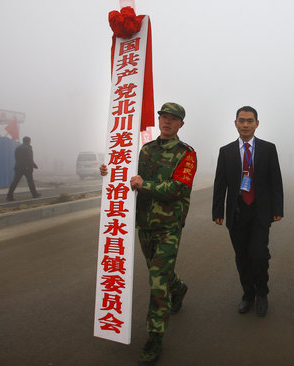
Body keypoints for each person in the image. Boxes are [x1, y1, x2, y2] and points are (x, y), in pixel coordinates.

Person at [100, 102, 196, 366]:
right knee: (159, 272)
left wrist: (146, 185)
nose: (167, 122)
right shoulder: (144, 150)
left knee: (156, 283)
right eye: (164, 117)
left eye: (173, 119)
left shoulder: (186, 154)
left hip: (169, 227)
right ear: (159, 119)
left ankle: (154, 338)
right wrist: (110, 172)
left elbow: (179, 188)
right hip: (144, 224)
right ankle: (179, 288)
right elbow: (127, 176)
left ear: (181, 125)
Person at [212, 106, 284, 317]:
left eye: (250, 121)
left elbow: (275, 181)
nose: (245, 125)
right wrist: (218, 210)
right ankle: (248, 294)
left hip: (261, 212)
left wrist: (277, 208)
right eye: (241, 121)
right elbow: (220, 183)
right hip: (236, 213)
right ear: (235, 123)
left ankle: (262, 293)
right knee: (242, 256)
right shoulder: (226, 152)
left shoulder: (268, 149)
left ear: (257, 124)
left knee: (259, 254)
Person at [6, 136, 41, 201]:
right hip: (27, 167)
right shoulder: (28, 148)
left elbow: (16, 158)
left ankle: (9, 196)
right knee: (30, 181)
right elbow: (30, 158)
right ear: (29, 141)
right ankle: (34, 194)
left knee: (15, 182)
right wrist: (34, 165)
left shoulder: (17, 148)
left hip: (18, 166)